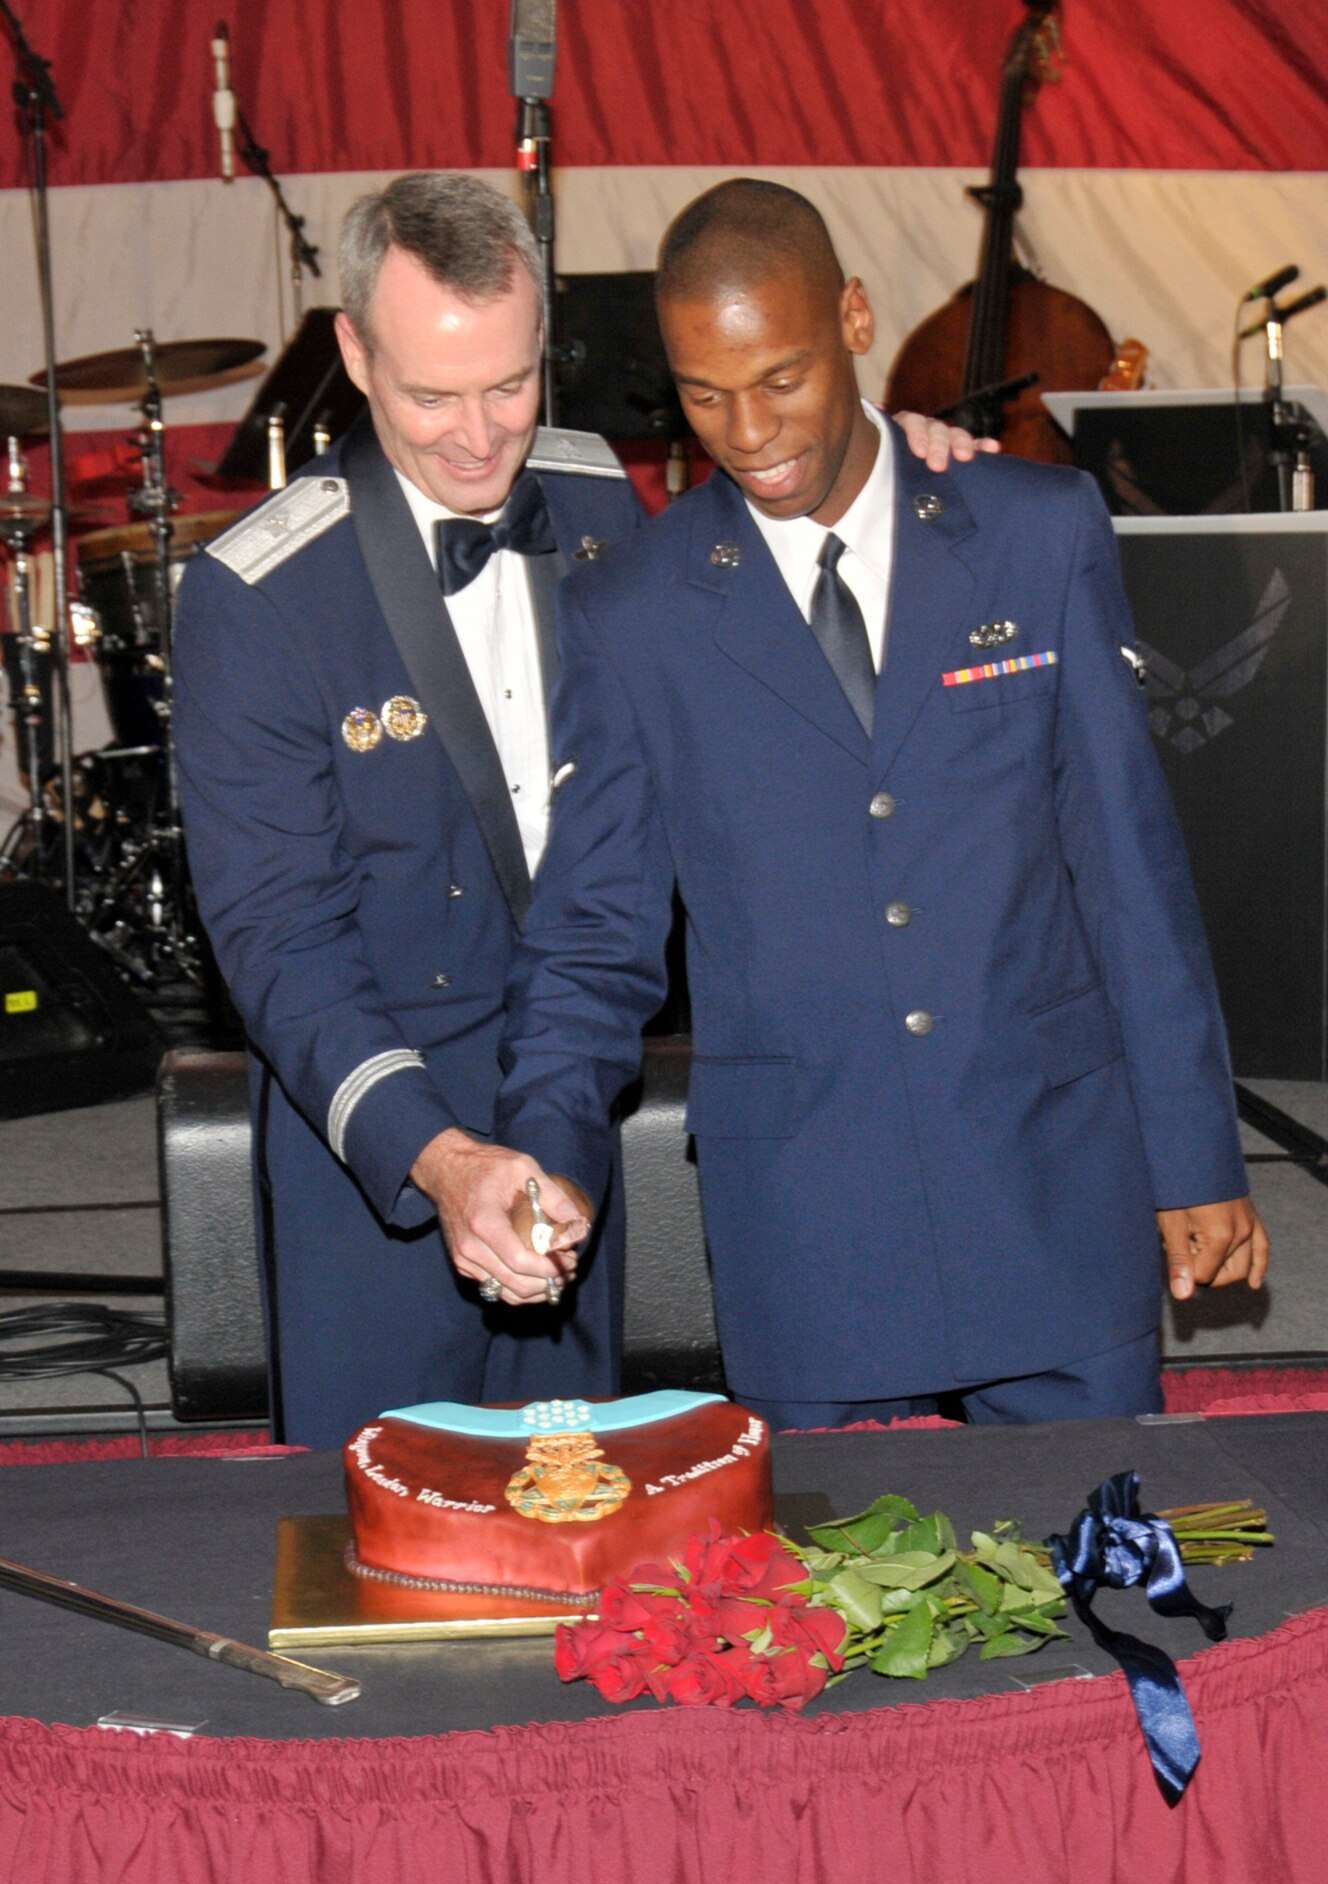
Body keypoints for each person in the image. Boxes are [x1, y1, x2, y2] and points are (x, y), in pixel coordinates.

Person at [436, 178, 1268, 1430]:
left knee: (1099, 1537)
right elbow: (594, 931)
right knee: (818, 1558)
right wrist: (543, 1148)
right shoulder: (634, 609)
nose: (747, 431)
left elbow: (1123, 864)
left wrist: (1191, 1150)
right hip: (806, 1218)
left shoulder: (1034, 529)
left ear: (855, 319)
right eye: (703, 394)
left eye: (780, 378)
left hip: (1049, 1178)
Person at [173, 171, 977, 1446]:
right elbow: (278, 942)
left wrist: (900, 461)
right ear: (354, 355)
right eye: (431, 395)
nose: (477, 436)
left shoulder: (599, 498)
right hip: (378, 1136)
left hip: (574, 1094)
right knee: (384, 1518)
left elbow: (785, 558)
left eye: (509, 385)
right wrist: (440, 1156)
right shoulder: (258, 594)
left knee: (578, 1493)